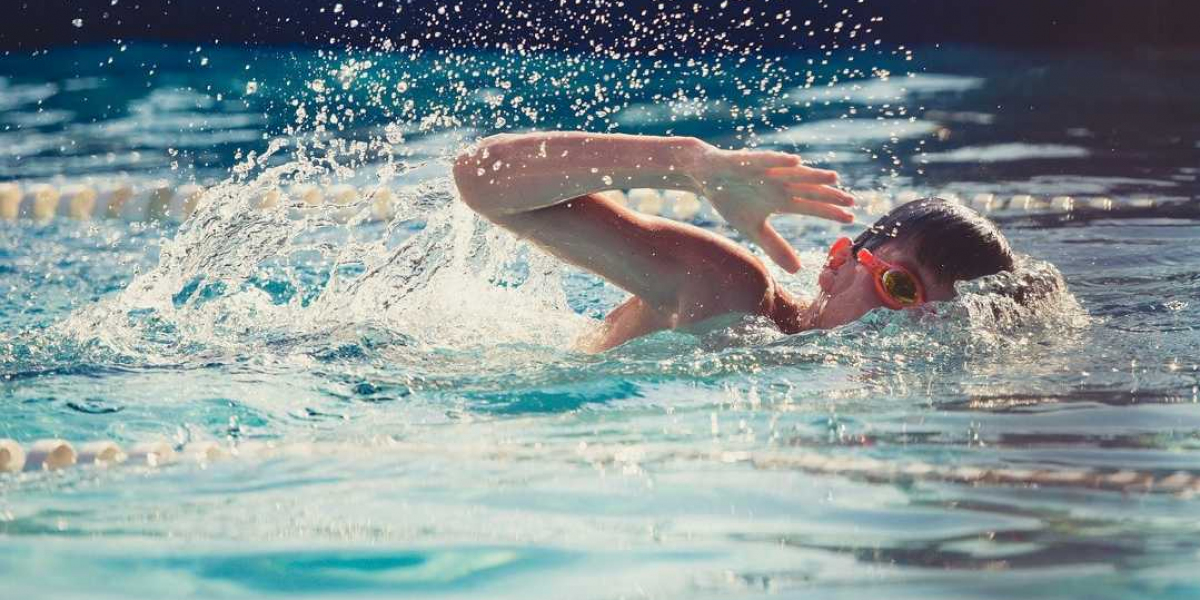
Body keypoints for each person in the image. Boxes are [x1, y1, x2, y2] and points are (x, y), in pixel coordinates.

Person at [452, 131, 1015, 351]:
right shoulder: (729, 290)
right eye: (900, 288)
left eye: (938, 319)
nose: (906, 328)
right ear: (837, 262)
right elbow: (481, 178)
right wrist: (686, 164)